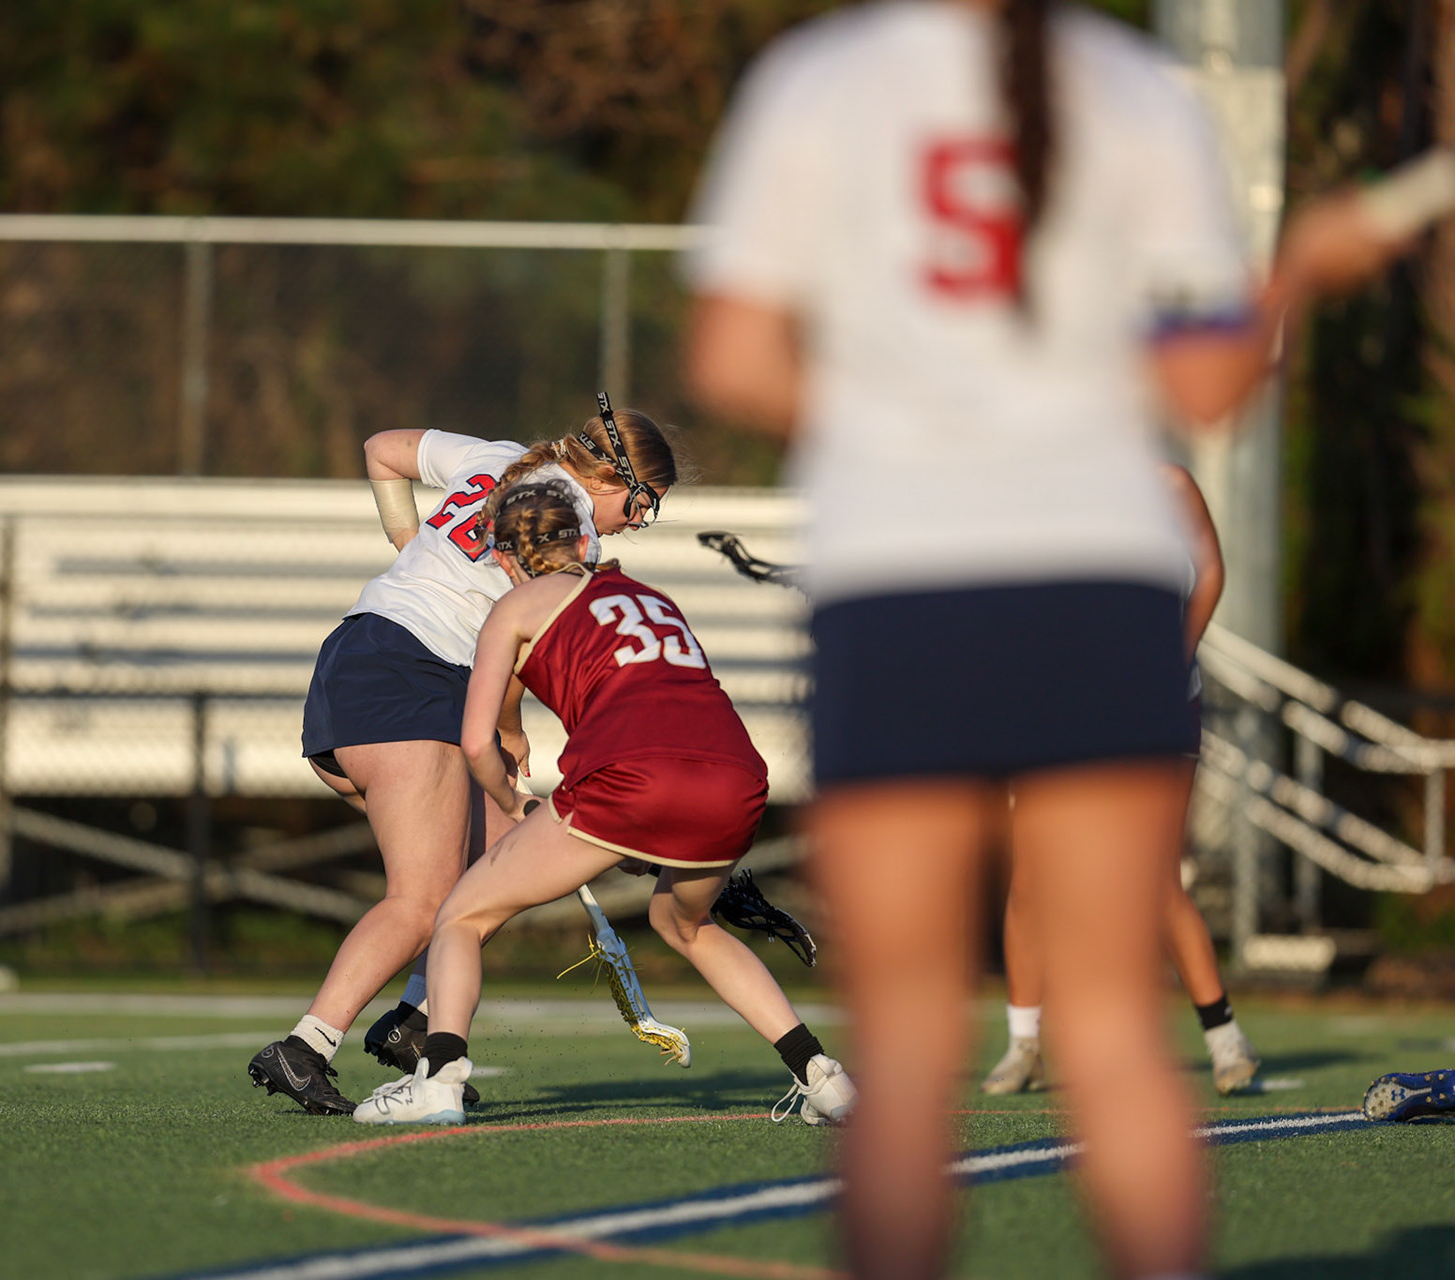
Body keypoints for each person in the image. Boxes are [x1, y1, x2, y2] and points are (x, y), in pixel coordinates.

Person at [682, 0, 1413, 1275]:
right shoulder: (1134, 84)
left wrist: (916, 419)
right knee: (1117, 1034)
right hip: (1094, 588)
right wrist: (1302, 266)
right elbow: (1206, 388)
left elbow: (734, 363)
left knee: (906, 1045)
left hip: (896, 585)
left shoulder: (816, 80)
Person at [352, 481, 856, 1126]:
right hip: (735, 778)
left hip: (631, 778)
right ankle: (822, 1076)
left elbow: (478, 743)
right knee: (688, 926)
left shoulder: (513, 608)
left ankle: (439, 1082)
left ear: (502, 558)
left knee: (460, 919)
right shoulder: (652, 598)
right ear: (585, 539)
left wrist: (512, 799)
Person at [249, 410, 678, 1116]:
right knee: (420, 900)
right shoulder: (575, 531)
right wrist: (510, 729)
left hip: (377, 656)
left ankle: (415, 1023)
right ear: (613, 479)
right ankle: (305, 1048)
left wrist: (405, 541)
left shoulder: (498, 456)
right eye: (642, 504)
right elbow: (521, 643)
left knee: (511, 849)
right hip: (409, 677)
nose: (635, 521)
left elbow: (382, 450)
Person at [984, 464, 1259, 1097]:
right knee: (1029, 877)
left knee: (1155, 881)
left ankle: (1225, 1040)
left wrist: (1175, 658)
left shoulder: (1168, 483)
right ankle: (1025, 1046)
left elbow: (1210, 570)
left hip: (1155, 710)